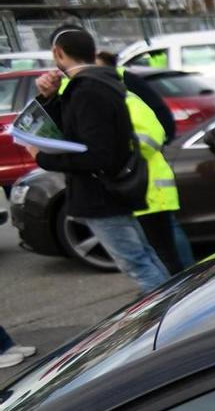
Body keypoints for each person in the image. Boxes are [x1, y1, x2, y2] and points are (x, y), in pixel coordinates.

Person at [33, 27, 168, 291]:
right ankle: (171, 309)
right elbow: (79, 133)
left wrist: (43, 158)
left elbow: (97, 154)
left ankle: (168, 318)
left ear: (58, 53)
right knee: (145, 257)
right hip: (112, 189)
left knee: (138, 264)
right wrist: (50, 99)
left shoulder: (88, 90)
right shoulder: (100, 83)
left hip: (101, 194)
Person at [93, 52, 190, 272]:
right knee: (159, 248)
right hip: (141, 182)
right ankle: (174, 286)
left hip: (146, 183)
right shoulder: (116, 91)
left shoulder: (125, 92)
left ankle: (178, 289)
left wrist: (119, 148)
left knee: (164, 249)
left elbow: (156, 131)